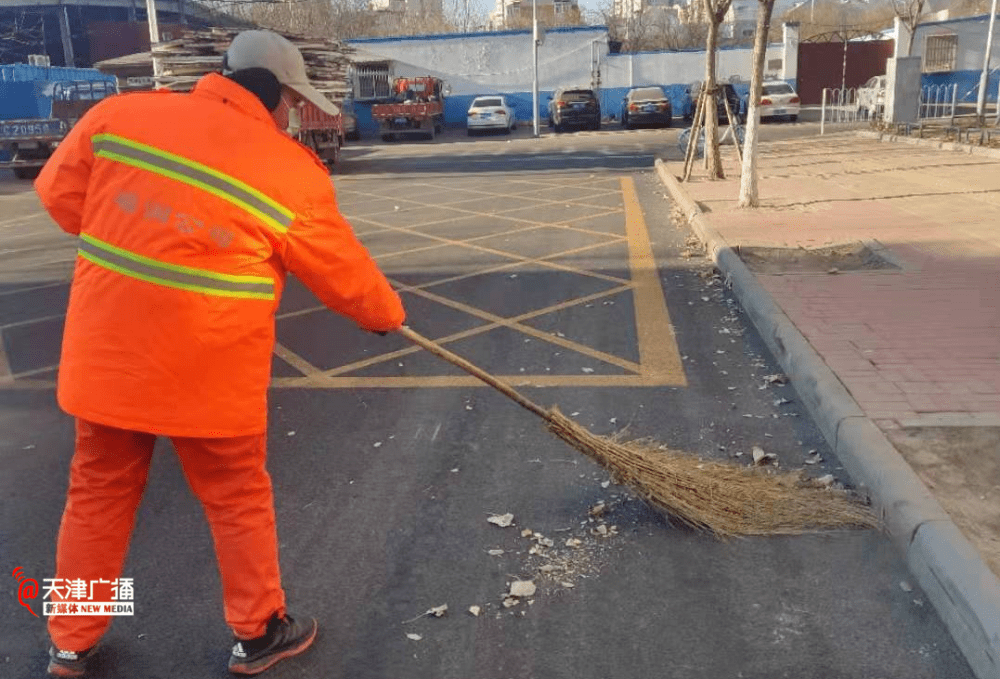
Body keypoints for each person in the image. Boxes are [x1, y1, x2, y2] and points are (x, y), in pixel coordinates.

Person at [34, 30, 405, 677]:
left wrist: (145, 232)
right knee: (236, 498)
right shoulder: (290, 172)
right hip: (209, 374)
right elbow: (344, 274)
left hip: (108, 363)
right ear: (269, 92)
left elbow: (62, 199)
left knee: (97, 494)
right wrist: (386, 317)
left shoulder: (120, 117)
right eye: (290, 100)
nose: (290, 112)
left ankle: (72, 639)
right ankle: (258, 632)